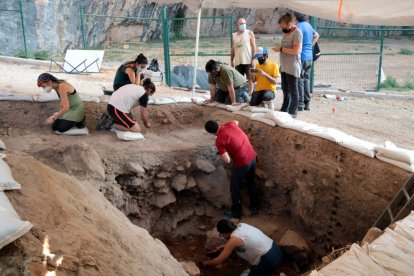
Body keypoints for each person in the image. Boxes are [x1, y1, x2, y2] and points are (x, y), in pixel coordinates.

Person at [205, 120, 258, 219]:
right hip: (253, 157)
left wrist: (222, 151)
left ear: (211, 133)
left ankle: (236, 213)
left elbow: (227, 160)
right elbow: (237, 121)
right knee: (251, 183)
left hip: (242, 163)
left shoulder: (219, 140)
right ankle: (254, 207)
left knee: (234, 187)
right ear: (218, 123)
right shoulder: (230, 124)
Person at [202, 219, 283, 276]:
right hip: (277, 250)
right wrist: (224, 246)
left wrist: (206, 263)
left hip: (270, 260)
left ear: (225, 234)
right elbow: (244, 240)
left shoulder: (233, 240)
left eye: (221, 234)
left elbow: (219, 260)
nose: (222, 236)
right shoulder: (242, 225)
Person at [272, 13, 302, 118]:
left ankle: (293, 111)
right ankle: (285, 108)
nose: (282, 29)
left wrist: (281, 49)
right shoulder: (286, 33)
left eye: (283, 27)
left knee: (293, 90)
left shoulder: (297, 32)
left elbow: (296, 51)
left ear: (289, 24)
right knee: (285, 88)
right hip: (284, 65)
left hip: (292, 66)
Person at [294, 12, 319, 111]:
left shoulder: (297, 27)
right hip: (309, 57)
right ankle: (307, 103)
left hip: (301, 57)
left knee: (300, 80)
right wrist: (311, 45)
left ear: (296, 18)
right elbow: (317, 35)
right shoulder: (309, 25)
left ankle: (300, 104)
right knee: (306, 80)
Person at [231, 18, 257, 94]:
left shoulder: (249, 33)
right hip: (238, 61)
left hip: (248, 60)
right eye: (241, 24)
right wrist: (231, 60)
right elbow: (232, 48)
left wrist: (253, 59)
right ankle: (241, 94)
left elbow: (254, 47)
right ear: (238, 25)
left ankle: (250, 93)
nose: (243, 25)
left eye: (244, 23)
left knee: (250, 78)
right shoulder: (234, 35)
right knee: (239, 79)